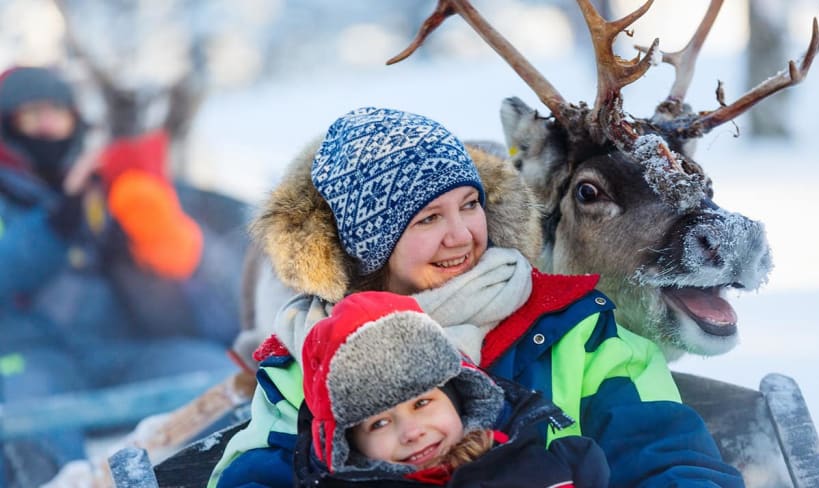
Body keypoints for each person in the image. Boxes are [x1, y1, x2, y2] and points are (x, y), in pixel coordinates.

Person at [211, 107, 744, 487]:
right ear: (368, 248)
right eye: (428, 219)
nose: (462, 234)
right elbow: (250, 475)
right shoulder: (307, 362)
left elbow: (669, 456)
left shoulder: (575, 330)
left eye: (469, 205)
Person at [0, 66, 238, 487]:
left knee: (220, 380)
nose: (47, 126)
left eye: (57, 112)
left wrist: (137, 239)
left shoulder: (101, 180)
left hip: (118, 350)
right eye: (31, 116)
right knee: (30, 430)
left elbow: (194, 258)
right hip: (30, 358)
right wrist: (54, 227)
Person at [292, 290, 609, 487]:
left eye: (422, 403)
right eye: (379, 423)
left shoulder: (535, 463)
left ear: (458, 397)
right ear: (350, 446)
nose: (412, 431)